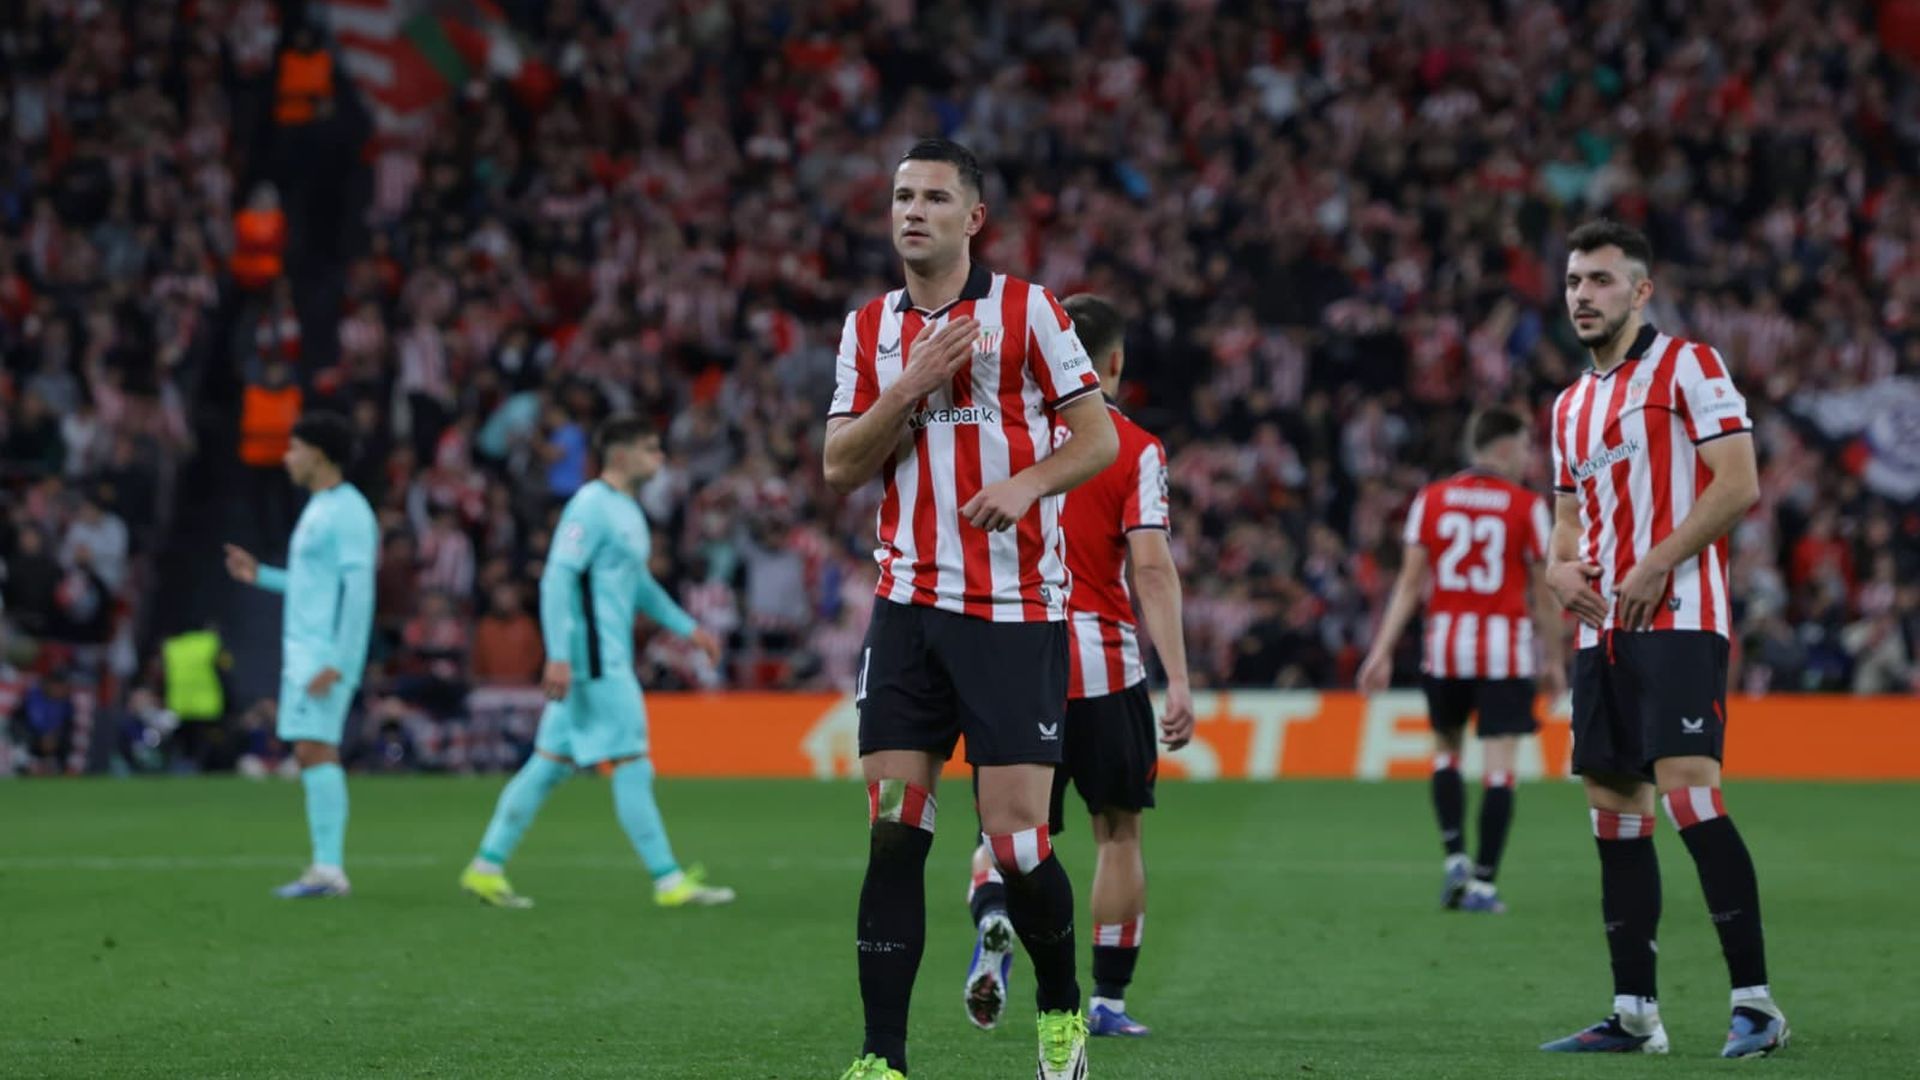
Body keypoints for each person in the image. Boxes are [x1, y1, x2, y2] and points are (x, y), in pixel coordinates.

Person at [824, 138, 1118, 1080]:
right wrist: (910, 386)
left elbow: (1099, 439)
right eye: (903, 196)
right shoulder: (868, 330)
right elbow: (839, 466)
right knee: (894, 828)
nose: (913, 211)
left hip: (1013, 610)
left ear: (973, 219)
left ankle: (1063, 1014)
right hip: (907, 607)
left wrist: (1030, 484)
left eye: (935, 198)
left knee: (1020, 843)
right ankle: (882, 1058)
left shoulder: (1030, 311)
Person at [1537, 220, 1788, 1058]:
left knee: (1690, 796)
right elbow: (1568, 519)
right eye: (1575, 280)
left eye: (1602, 281)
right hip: (1602, 632)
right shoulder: (1570, 405)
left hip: (1679, 615)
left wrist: (1657, 562)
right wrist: (1557, 568)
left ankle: (1756, 1003)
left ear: (1641, 291)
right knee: (1613, 813)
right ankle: (1634, 1013)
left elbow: (1739, 480)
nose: (1583, 295)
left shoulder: (1690, 364)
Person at [961, 293, 1195, 1040]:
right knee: (1117, 832)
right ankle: (1109, 1001)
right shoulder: (1135, 448)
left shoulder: (1007, 438)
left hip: (1013, 653)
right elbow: (1151, 569)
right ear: (1116, 363)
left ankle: (995, 926)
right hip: (1102, 668)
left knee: (1009, 828)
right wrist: (1180, 678)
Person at [457, 415, 733, 910]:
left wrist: (689, 629)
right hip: (595, 662)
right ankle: (669, 881)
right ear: (621, 454)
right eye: (651, 448)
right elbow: (557, 579)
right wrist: (560, 657)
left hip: (597, 658)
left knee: (548, 766)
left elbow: (639, 585)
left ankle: (486, 867)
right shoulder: (590, 505)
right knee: (632, 761)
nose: (660, 458)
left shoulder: (627, 509)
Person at [1357, 405, 1565, 914]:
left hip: (1444, 649)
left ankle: (1454, 856)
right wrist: (1555, 661)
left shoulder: (1431, 500)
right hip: (1504, 651)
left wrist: (1381, 651)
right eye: (1524, 445)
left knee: (1446, 752)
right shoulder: (1525, 506)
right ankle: (1485, 883)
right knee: (1499, 769)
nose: (1528, 456)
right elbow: (1544, 594)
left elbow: (1409, 585)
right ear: (1501, 448)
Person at [223, 411, 378, 899]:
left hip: (324, 650)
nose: (286, 457)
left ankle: (329, 870)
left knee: (315, 747)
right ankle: (324, 868)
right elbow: (313, 585)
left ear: (318, 454)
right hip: (306, 648)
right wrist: (261, 576)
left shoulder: (349, 512)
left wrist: (341, 658)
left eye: (293, 448)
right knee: (309, 749)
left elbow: (359, 592)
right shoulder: (319, 508)